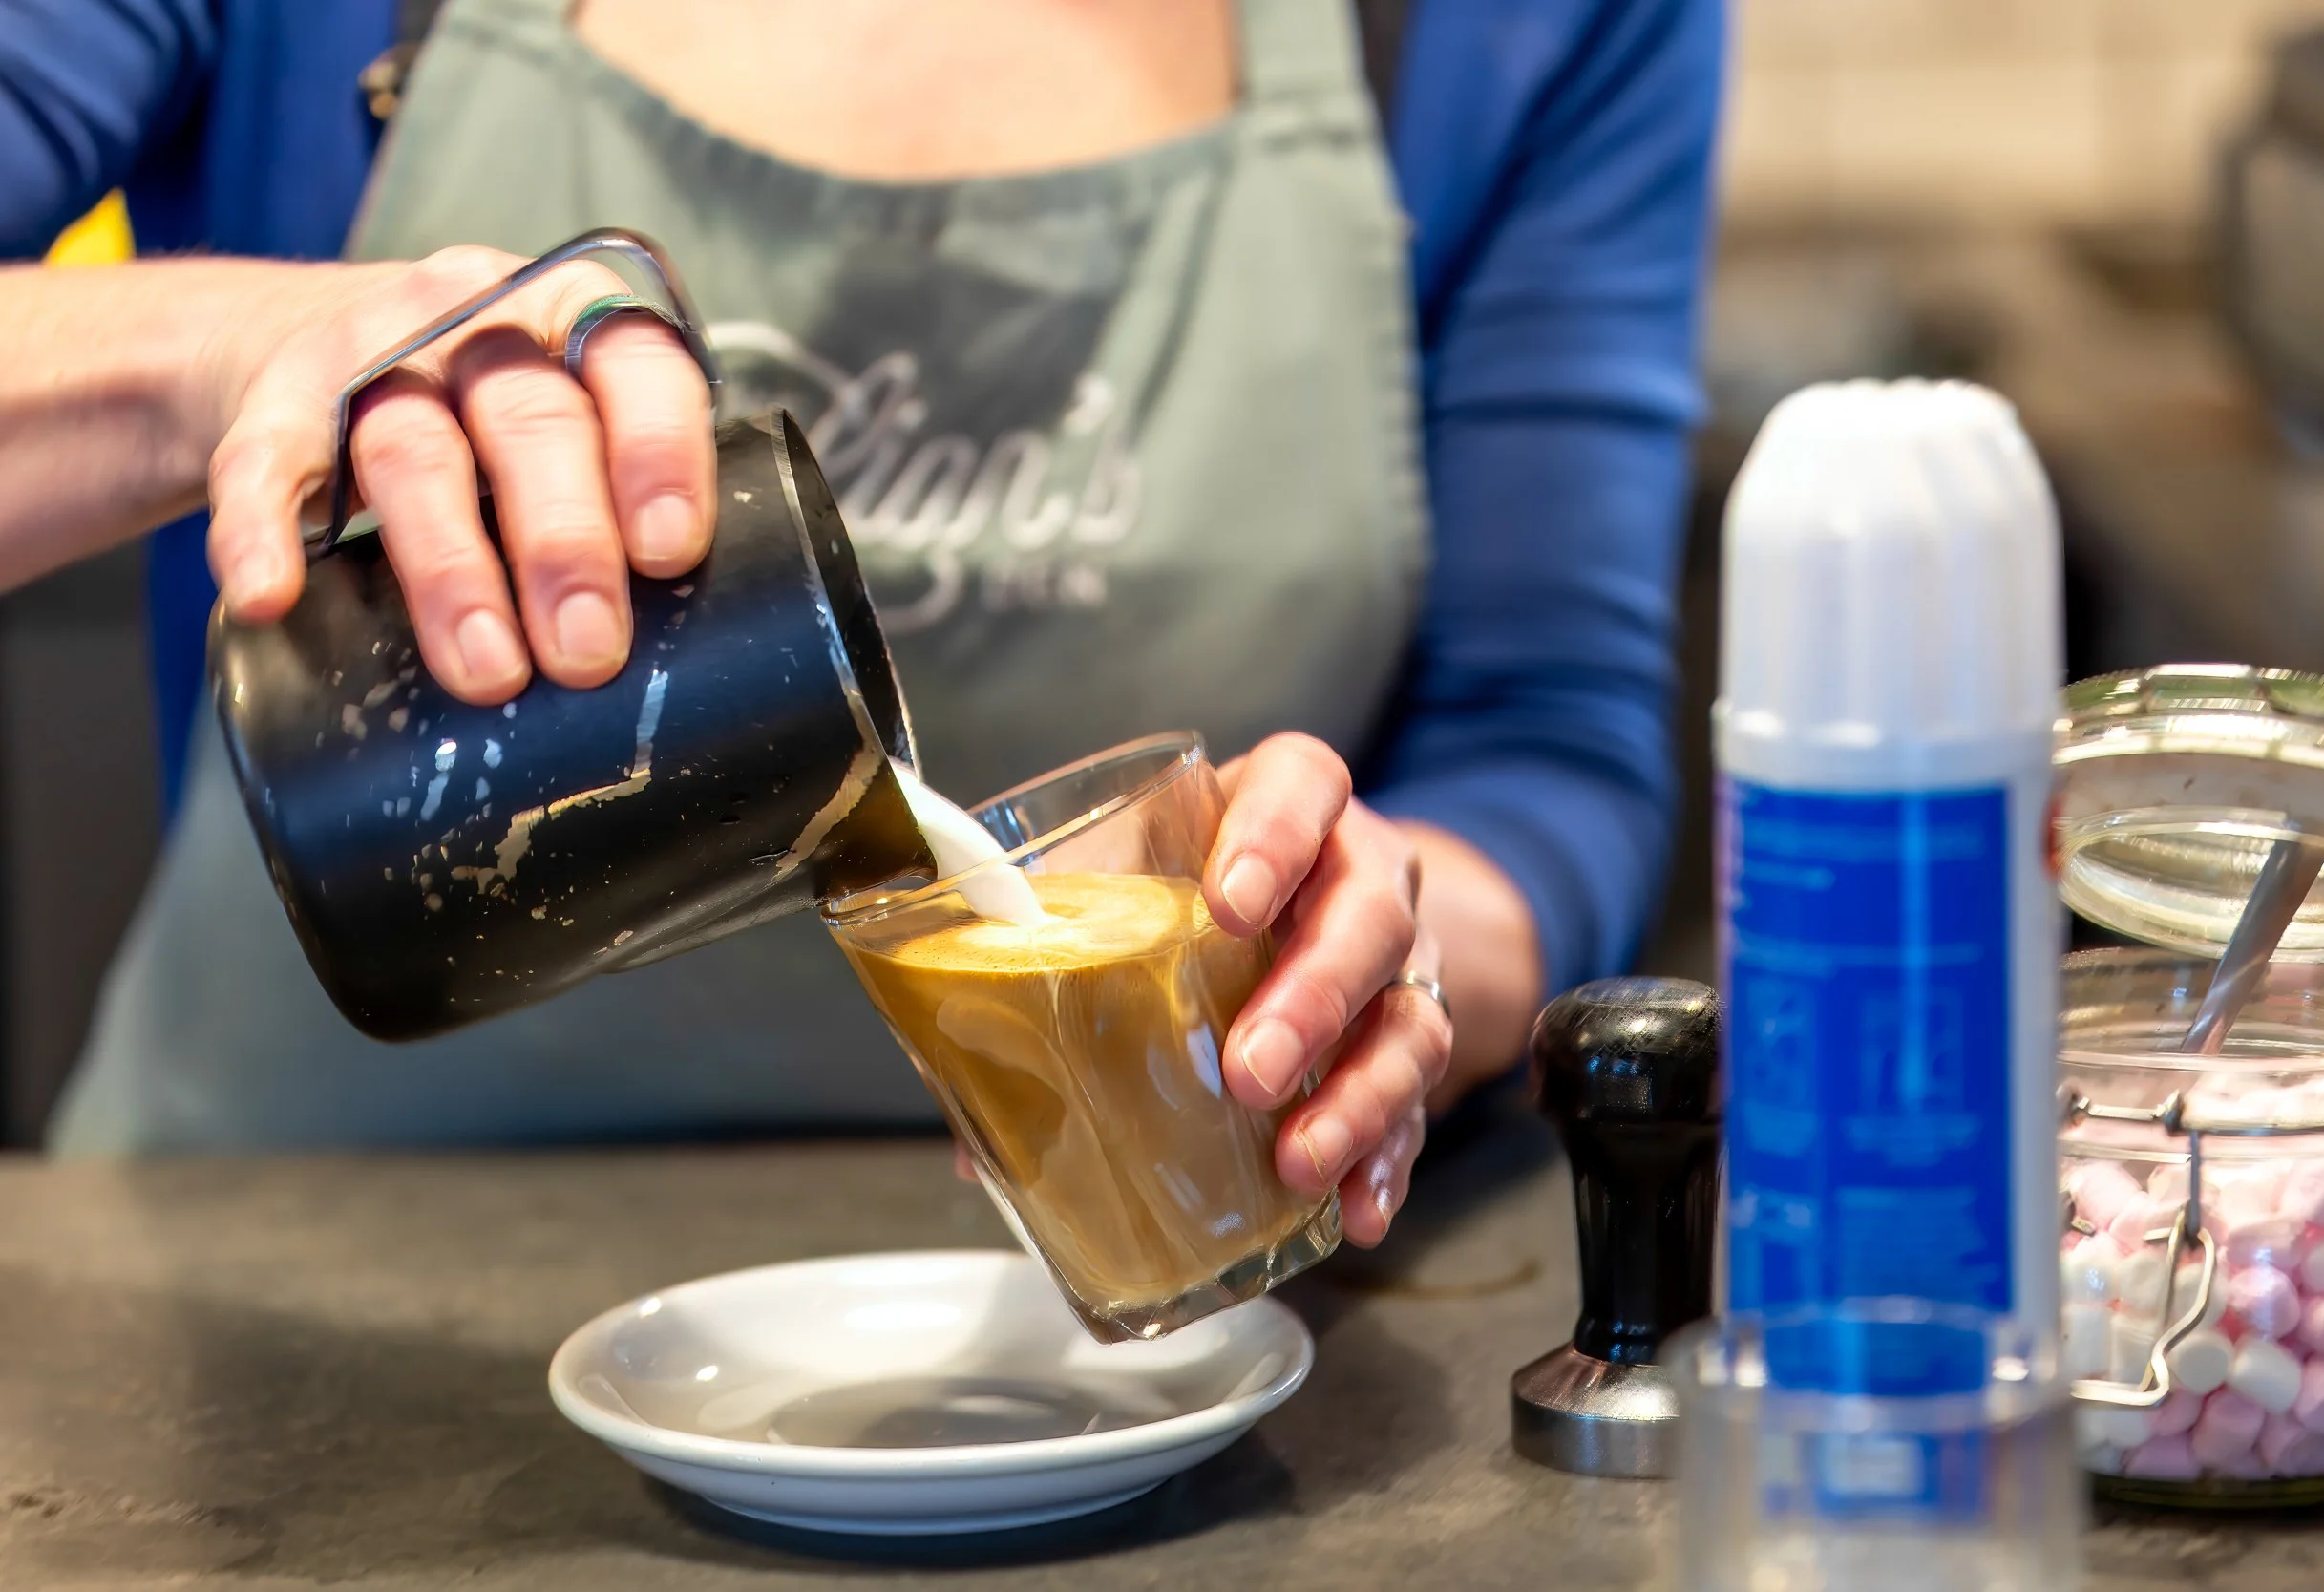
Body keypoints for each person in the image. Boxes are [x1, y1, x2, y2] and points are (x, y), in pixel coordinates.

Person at [0, 0, 1721, 1245]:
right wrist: (217, 361)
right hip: (264, 1306)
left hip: (1088, 1329)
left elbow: (1547, 746)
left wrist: (1362, 940)